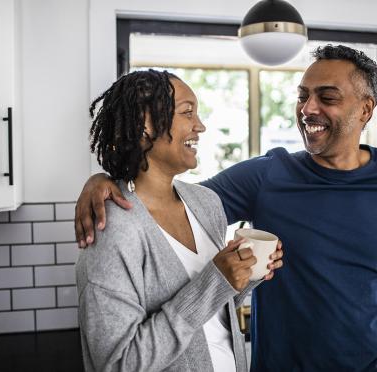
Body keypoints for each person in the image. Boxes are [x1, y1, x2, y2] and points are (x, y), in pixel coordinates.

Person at [75, 46, 377, 372]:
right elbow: (161, 203)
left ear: (365, 109)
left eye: (327, 97)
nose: (308, 109)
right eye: (303, 96)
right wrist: (107, 179)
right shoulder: (267, 176)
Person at [75, 69, 284, 372]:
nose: (200, 126)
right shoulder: (113, 229)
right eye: (188, 112)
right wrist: (216, 281)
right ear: (145, 124)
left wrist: (243, 277)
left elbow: (213, 313)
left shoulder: (206, 203)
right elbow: (119, 364)